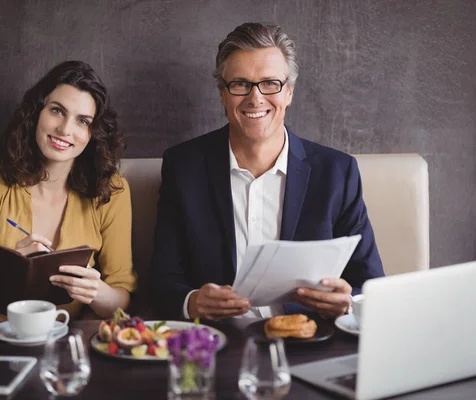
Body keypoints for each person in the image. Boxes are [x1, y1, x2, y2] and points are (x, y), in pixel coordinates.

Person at [150, 23, 384, 321]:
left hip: (310, 345)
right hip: (220, 345)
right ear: (222, 94)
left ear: (289, 93)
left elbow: (370, 283)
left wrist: (348, 303)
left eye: (270, 83)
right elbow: (162, 280)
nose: (255, 98)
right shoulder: (183, 167)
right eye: (240, 84)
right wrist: (192, 302)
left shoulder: (337, 172)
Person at [0, 61, 136, 322]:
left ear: (93, 133)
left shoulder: (111, 192)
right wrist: (9, 278)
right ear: (36, 113)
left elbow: (121, 306)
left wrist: (96, 292)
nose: (65, 129)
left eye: (82, 121)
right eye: (57, 111)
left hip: (69, 350)